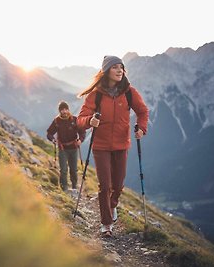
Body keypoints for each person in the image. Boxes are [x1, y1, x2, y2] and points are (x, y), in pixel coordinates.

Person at [76, 56, 149, 237]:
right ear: (106, 71)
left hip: (121, 145)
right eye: (115, 67)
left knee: (117, 185)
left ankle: (112, 204)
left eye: (121, 67)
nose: (119, 70)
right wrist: (89, 121)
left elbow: (143, 111)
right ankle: (106, 224)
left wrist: (142, 128)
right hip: (100, 146)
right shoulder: (97, 94)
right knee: (105, 185)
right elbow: (80, 120)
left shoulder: (129, 92)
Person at [47, 101, 86, 192]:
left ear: (68, 109)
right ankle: (64, 188)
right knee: (63, 170)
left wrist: (80, 140)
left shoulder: (74, 120)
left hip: (73, 148)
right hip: (62, 148)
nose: (64, 111)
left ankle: (74, 187)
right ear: (60, 111)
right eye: (62, 110)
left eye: (66, 109)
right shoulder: (57, 121)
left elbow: (82, 132)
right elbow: (49, 133)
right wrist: (53, 139)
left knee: (74, 170)